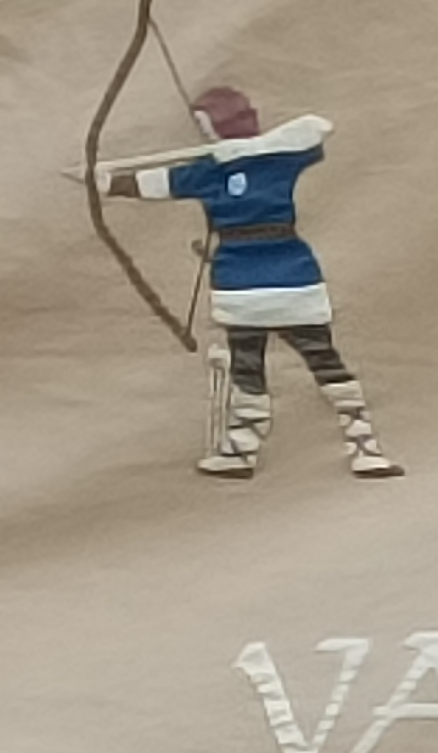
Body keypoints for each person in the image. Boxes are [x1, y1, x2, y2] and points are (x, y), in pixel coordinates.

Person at [101, 81, 401, 480]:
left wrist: (254, 148)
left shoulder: (271, 160)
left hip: (275, 276)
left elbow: (316, 130)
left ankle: (361, 449)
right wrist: (103, 180)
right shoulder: (217, 169)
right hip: (257, 279)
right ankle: (246, 452)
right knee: (258, 367)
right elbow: (154, 182)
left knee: (309, 362)